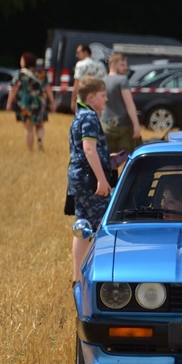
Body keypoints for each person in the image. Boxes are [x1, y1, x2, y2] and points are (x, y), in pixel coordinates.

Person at [68, 76, 113, 283]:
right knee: (103, 223)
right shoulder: (90, 118)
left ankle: (77, 276)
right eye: (103, 95)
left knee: (83, 226)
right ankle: (101, 275)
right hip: (89, 178)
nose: (106, 99)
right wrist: (101, 180)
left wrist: (107, 159)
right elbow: (88, 149)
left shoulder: (79, 116)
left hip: (78, 177)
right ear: (91, 97)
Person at [6, 52, 55, 151]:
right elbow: (48, 89)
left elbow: (14, 89)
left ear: (25, 62)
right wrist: (52, 102)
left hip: (26, 103)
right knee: (40, 125)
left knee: (28, 128)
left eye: (22, 60)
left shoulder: (20, 74)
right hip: (40, 102)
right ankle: (39, 139)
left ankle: (30, 150)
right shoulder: (41, 74)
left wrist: (9, 103)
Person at [102, 53, 141, 154]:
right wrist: (136, 125)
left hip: (106, 125)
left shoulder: (103, 80)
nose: (125, 68)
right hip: (123, 126)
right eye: (122, 65)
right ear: (113, 65)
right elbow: (129, 104)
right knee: (126, 156)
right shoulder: (122, 80)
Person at [69, 44, 106, 113]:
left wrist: (73, 101)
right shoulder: (101, 66)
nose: (77, 55)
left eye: (78, 53)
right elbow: (104, 84)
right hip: (98, 99)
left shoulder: (80, 65)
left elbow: (76, 84)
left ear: (85, 52)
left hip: (83, 99)